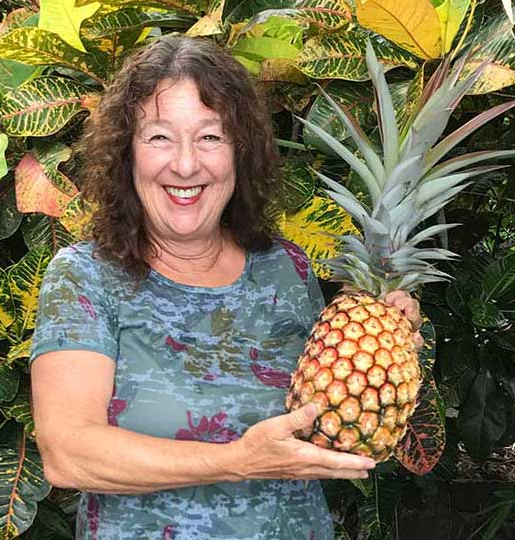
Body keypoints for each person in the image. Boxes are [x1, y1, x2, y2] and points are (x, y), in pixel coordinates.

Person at [30, 35, 422, 540]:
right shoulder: (85, 276)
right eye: (159, 138)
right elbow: (69, 455)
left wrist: (385, 348)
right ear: (126, 153)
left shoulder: (287, 268)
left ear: (241, 152)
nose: (187, 165)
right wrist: (237, 461)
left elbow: (335, 430)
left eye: (210, 137)